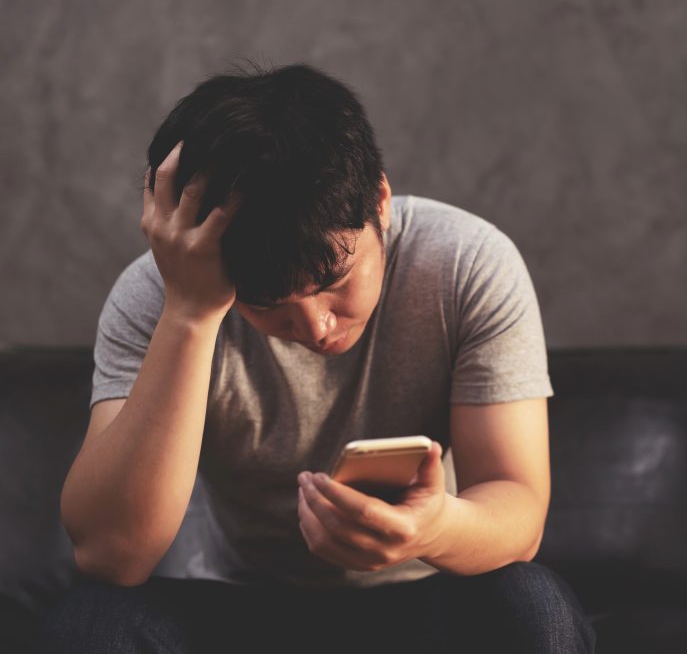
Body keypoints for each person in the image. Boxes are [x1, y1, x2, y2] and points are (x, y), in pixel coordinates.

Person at [41, 63, 595, 653]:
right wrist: (191, 314)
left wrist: (431, 529)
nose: (314, 326)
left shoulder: (465, 265)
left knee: (535, 607)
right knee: (94, 624)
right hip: (240, 609)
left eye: (334, 278)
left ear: (380, 201)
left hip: (421, 601)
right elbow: (109, 555)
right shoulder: (160, 294)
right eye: (265, 304)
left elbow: (518, 507)